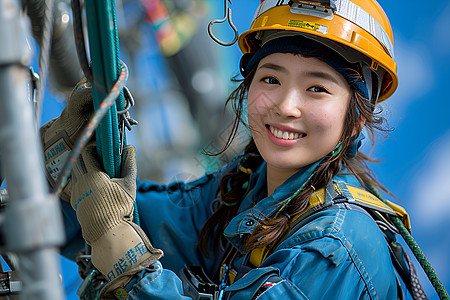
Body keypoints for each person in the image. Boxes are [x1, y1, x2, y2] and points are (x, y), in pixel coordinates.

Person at [41, 0, 420, 299]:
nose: (286, 105)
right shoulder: (240, 194)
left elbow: (120, 233)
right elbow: (130, 215)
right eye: (270, 78)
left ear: (355, 117)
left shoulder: (339, 247)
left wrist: (132, 270)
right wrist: (63, 161)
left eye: (317, 88)